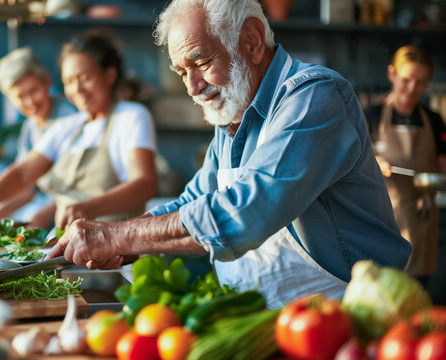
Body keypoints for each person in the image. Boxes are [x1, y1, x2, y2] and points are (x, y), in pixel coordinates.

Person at [47, 0, 411, 308]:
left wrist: (119, 236)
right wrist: (127, 244)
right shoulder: (234, 118)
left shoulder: (315, 97)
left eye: (201, 62)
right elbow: (191, 201)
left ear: (252, 41)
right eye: (181, 71)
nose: (192, 87)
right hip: (273, 322)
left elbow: (248, 212)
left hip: (351, 317)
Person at [0, 30, 157, 233]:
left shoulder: (132, 116)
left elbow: (145, 184)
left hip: (118, 252)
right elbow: (22, 173)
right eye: (68, 82)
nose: (76, 89)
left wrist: (89, 208)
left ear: (109, 75)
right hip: (69, 251)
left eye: (85, 78)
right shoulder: (68, 126)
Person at [364, 45, 446, 284]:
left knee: (417, 291)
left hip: (421, 219)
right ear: (392, 74)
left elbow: (443, 167)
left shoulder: (434, 120)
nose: (412, 88)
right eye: (406, 79)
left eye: (421, 82)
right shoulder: (370, 116)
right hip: (383, 217)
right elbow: (351, 163)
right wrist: (373, 163)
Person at [0, 47, 77, 228]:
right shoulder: (30, 127)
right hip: (42, 207)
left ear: (47, 82)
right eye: (21, 96)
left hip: (70, 210)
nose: (30, 102)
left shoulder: (69, 117)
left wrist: (41, 217)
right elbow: (26, 187)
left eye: (34, 91)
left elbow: (76, 188)